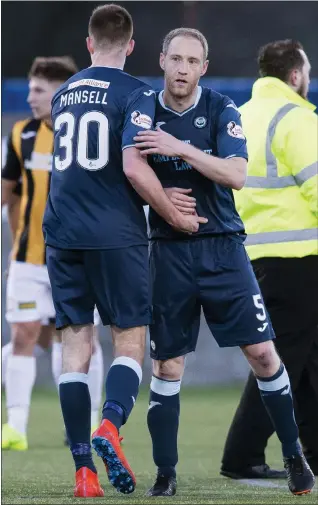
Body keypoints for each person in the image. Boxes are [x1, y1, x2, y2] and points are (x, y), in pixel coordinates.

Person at [133, 29, 316, 497]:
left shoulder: (221, 109)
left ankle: (296, 459)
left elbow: (235, 174)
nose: (182, 68)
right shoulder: (142, 109)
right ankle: (165, 473)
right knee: (168, 366)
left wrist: (181, 150)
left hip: (224, 250)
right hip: (170, 253)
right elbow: (128, 169)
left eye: (192, 61)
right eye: (175, 58)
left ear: (203, 68)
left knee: (264, 354)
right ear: (162, 60)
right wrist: (161, 199)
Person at [42, 4, 205, 498]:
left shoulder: (64, 93)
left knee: (76, 347)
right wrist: (172, 209)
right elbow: (135, 167)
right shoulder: (137, 93)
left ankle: (83, 474)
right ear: (131, 46)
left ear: (89, 43)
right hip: (115, 232)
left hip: (61, 231)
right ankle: (109, 426)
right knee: (130, 339)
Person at [220, 39, 318, 479]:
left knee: (306, 360)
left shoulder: (238, 117)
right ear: (295, 75)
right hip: (299, 258)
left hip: (252, 257)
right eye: (308, 73)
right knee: (282, 359)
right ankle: (241, 457)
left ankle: (313, 452)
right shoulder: (297, 118)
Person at [1, 56, 104, 452]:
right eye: (29, 89)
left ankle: (89, 425)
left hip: (77, 259)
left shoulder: (86, 135)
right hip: (28, 261)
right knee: (25, 335)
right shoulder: (21, 135)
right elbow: (7, 193)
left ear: (62, 93)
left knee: (78, 341)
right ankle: (15, 428)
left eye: (39, 91)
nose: (30, 98)